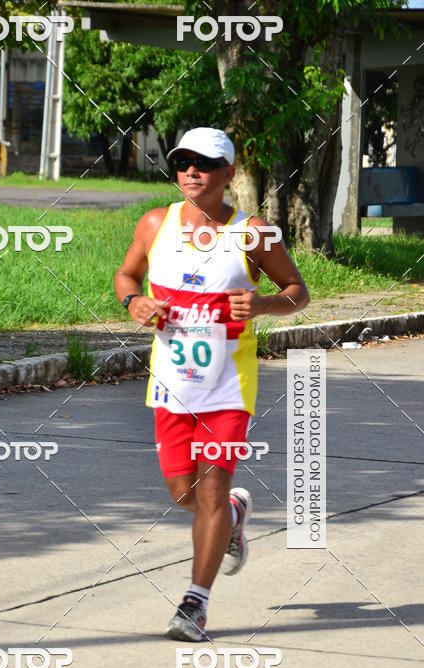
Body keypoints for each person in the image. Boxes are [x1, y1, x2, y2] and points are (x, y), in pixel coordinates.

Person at [114, 127, 309, 641]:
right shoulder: (156, 223)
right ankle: (236, 515)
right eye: (183, 162)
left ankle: (194, 606)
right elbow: (125, 276)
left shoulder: (254, 233)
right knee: (186, 495)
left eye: (204, 163)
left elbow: (298, 291)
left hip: (228, 385)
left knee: (212, 489)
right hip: (172, 383)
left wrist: (266, 303)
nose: (191, 171)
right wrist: (133, 301)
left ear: (229, 173)